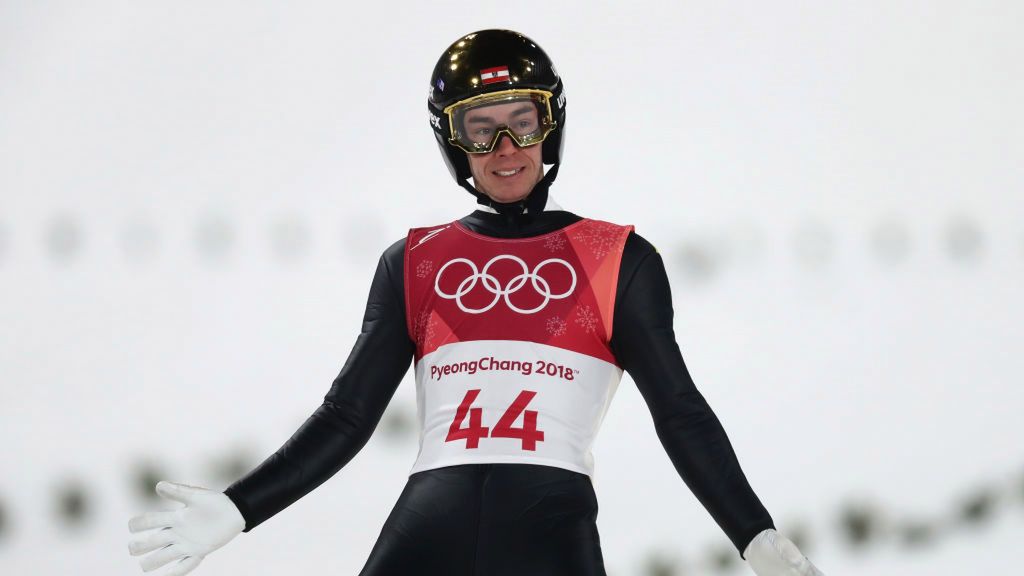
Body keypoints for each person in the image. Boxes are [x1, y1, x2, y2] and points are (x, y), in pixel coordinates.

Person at [128, 29, 825, 576]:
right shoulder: (415, 262)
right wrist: (238, 508)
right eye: (479, 128)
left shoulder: (620, 260)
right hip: (429, 525)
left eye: (522, 120)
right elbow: (346, 417)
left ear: (550, 125)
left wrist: (752, 534)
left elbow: (681, 414)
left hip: (549, 527)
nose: (504, 147)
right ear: (452, 143)